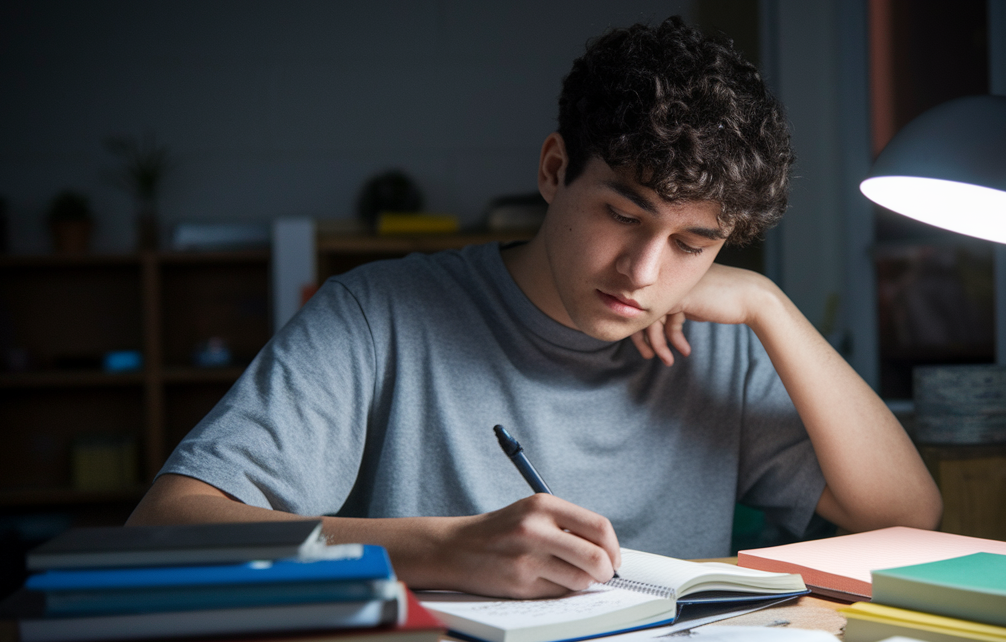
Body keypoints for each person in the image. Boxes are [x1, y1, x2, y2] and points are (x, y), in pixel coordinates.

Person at [128, 17, 941, 598]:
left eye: (692, 244)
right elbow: (163, 530)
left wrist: (770, 306)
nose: (643, 271)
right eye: (622, 215)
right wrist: (443, 548)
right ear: (554, 169)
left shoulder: (717, 340)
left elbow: (908, 515)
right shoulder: (378, 313)